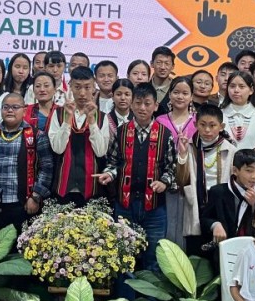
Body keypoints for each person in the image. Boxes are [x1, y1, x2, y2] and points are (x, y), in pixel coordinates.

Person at [98, 83, 176, 274]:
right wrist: (109, 174)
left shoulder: (165, 134)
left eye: (147, 103)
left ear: (155, 106)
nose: (142, 108)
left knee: (154, 260)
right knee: (124, 259)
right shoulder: (122, 132)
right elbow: (114, 162)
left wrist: (164, 181)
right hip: (125, 205)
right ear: (131, 105)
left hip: (155, 208)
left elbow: (172, 167)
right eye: (138, 103)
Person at [0, 93, 54, 234]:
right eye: (6, 107)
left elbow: (47, 168)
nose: (10, 110)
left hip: (23, 204)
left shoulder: (36, 135)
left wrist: (36, 196)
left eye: (15, 107)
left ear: (24, 111)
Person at [175, 103, 234, 254]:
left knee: (220, 255)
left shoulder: (230, 149)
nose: (207, 130)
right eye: (203, 124)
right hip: (196, 205)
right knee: (195, 255)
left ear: (221, 126)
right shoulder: (189, 147)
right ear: (195, 124)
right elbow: (181, 182)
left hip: (220, 208)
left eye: (212, 125)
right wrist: (182, 156)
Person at [48, 66, 110, 206]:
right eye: (77, 87)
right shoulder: (58, 114)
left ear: (94, 87)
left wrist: (92, 122)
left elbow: (101, 152)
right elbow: (57, 149)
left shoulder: (102, 117)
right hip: (63, 186)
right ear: (70, 86)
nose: (82, 93)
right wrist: (67, 120)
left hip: (91, 188)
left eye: (87, 87)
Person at [156, 77, 196, 248]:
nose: (180, 97)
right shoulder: (159, 120)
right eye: (176, 92)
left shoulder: (197, 121)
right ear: (169, 95)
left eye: (185, 93)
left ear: (192, 97)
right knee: (167, 222)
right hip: (164, 179)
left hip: (190, 178)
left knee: (187, 223)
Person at [202, 149, 255, 239]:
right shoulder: (218, 191)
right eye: (249, 170)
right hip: (225, 246)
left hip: (252, 246)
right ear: (235, 170)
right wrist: (215, 225)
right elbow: (205, 219)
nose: (254, 176)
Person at [221, 71, 255, 145]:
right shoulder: (220, 114)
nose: (236, 90)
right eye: (232, 86)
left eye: (241, 86)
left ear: (251, 90)